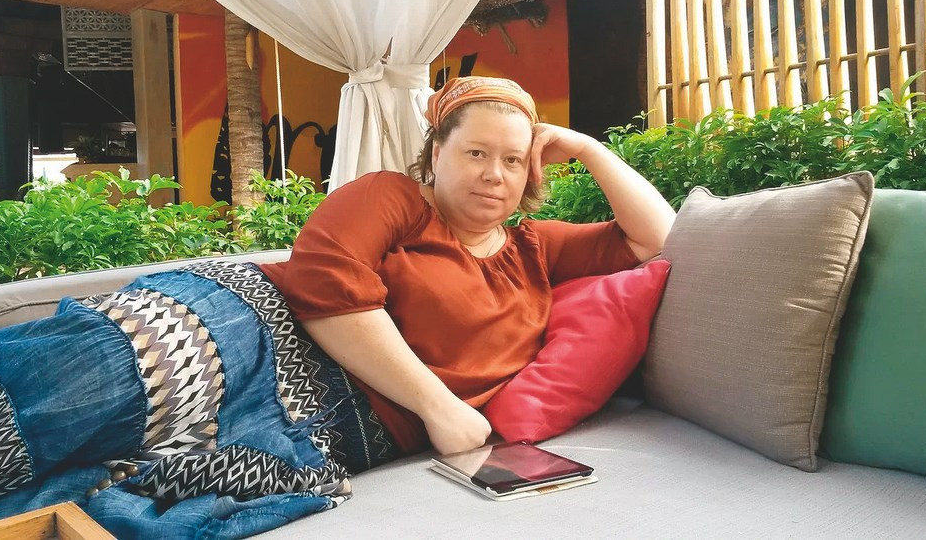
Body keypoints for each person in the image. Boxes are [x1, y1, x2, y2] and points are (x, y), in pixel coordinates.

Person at [259, 75, 676, 459]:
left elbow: (656, 237)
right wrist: (438, 407)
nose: (494, 174)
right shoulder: (392, 199)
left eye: (513, 160)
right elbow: (324, 282)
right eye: (476, 153)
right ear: (438, 153)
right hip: (268, 336)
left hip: (345, 426)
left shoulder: (536, 249)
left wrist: (588, 149)